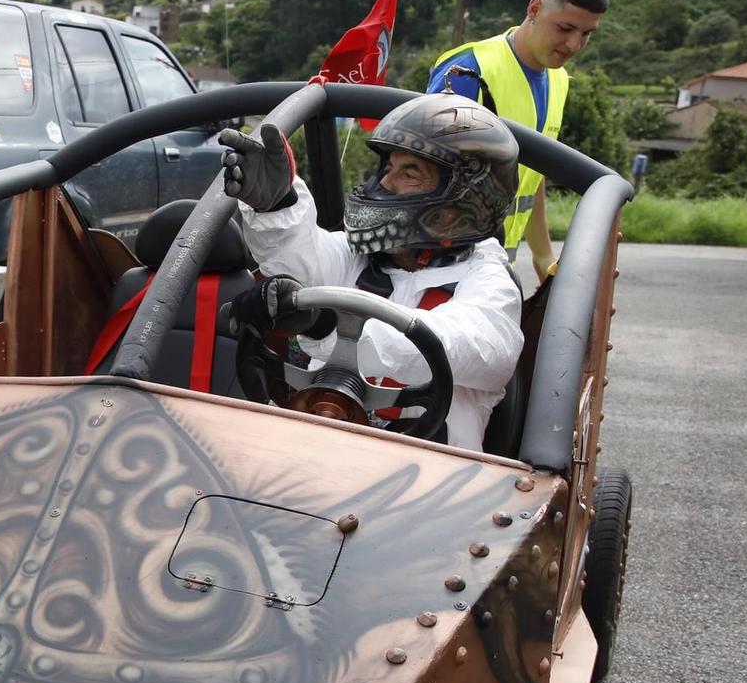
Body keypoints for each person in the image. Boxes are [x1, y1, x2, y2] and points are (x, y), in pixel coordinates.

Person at [215, 93, 523, 453]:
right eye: (388, 168)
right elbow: (299, 265)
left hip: (433, 487)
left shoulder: (489, 282)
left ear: (465, 199)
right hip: (319, 457)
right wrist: (275, 205)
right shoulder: (358, 256)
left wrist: (326, 323)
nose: (385, 185)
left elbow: (464, 346)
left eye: (410, 173)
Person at [429, 0, 607, 289]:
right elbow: (423, 177)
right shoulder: (470, 72)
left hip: (494, 271)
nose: (574, 45)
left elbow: (531, 176)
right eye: (566, 29)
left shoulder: (559, 81)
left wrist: (544, 259)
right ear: (535, 9)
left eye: (587, 34)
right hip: (443, 273)